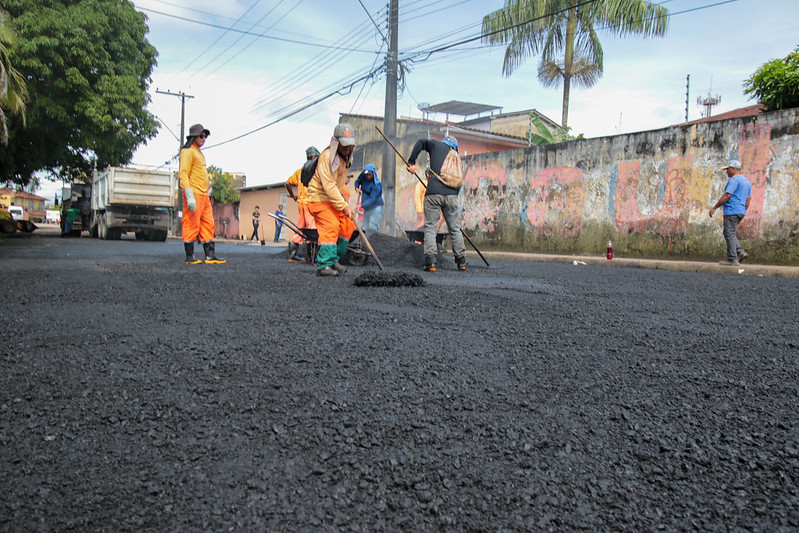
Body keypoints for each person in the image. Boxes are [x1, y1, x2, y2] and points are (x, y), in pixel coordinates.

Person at [406, 135, 467, 272]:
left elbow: (421, 141)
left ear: (444, 142)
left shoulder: (436, 145)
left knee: (430, 228)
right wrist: (451, 197)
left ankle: (431, 263)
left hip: (434, 194)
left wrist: (411, 162)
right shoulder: (456, 158)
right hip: (452, 196)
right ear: (455, 147)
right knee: (455, 228)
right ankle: (461, 261)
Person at [306, 122, 357, 277]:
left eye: (350, 146)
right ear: (336, 142)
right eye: (344, 146)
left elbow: (340, 184)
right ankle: (324, 265)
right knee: (331, 225)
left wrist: (345, 205)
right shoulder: (327, 157)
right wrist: (344, 206)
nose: (347, 149)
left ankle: (333, 259)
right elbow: (329, 187)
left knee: (348, 224)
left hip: (333, 200)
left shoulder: (348, 159)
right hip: (319, 199)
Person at [180, 123, 225, 264]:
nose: (204, 138)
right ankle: (189, 256)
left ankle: (210, 255)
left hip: (204, 195)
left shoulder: (199, 153)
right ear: (193, 137)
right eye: (201, 135)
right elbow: (183, 173)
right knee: (191, 223)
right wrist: (189, 195)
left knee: (207, 223)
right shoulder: (187, 152)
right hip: (194, 193)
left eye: (205, 136)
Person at [709, 159, 752, 266]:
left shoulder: (734, 180)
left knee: (729, 233)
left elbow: (727, 195)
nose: (727, 172)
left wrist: (715, 207)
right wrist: (743, 209)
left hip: (732, 211)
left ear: (733, 169)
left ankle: (732, 258)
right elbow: (748, 198)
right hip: (740, 211)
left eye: (728, 169)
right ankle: (740, 252)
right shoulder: (746, 181)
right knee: (729, 232)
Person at [285, 146, 320, 262]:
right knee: (312, 229)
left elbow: (287, 183)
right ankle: (311, 257)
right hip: (310, 203)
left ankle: (292, 255)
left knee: (301, 228)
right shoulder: (315, 171)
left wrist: (294, 195)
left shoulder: (300, 171)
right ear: (314, 157)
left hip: (301, 203)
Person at [354, 163, 384, 232]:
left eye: (369, 174)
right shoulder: (363, 176)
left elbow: (372, 199)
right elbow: (357, 181)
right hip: (367, 207)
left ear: (373, 174)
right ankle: (365, 241)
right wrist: (356, 187)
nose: (367, 176)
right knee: (365, 226)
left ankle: (373, 242)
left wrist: (361, 205)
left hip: (376, 207)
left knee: (372, 226)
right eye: (366, 174)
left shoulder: (377, 185)